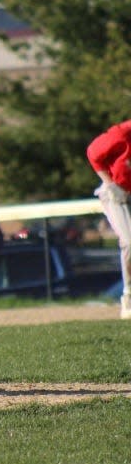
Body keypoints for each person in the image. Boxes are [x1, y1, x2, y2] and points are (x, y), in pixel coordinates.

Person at [87, 121, 131, 319]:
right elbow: (93, 154)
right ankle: (129, 297)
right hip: (116, 192)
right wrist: (110, 184)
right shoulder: (122, 135)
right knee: (130, 241)